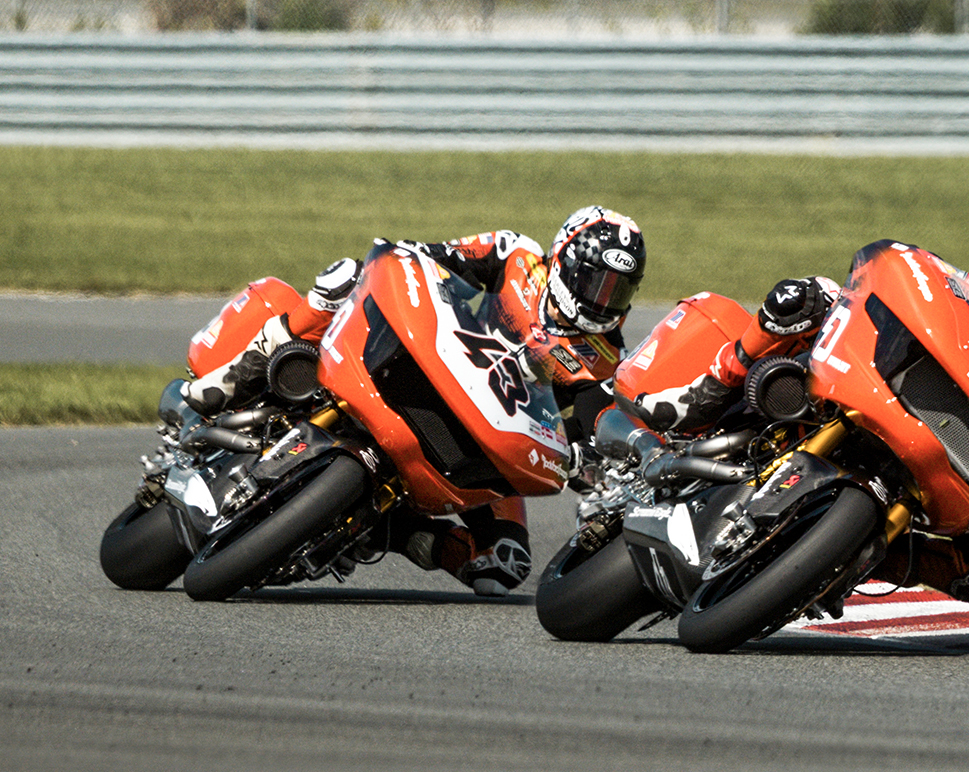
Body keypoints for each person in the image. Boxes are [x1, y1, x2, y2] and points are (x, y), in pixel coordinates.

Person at [633, 267, 969, 609]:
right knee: (808, 296)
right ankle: (709, 389)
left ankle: (843, 561)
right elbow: (951, 284)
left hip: (952, 483)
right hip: (910, 399)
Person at [182, 206, 646, 596]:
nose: (601, 301)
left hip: (477, 431)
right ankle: (227, 382)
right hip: (423, 358)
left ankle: (381, 529)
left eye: (617, 291)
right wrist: (403, 266)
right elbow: (431, 259)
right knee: (342, 280)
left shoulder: (605, 360)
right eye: (593, 282)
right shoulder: (516, 255)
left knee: (503, 566)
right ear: (563, 259)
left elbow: (590, 433)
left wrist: (583, 459)